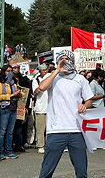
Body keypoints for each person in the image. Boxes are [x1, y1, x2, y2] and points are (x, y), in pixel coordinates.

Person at [37, 50, 93, 178]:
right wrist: (57, 70)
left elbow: (89, 99)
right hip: (56, 130)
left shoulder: (80, 79)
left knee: (81, 169)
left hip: (76, 129)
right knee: (47, 168)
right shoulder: (52, 77)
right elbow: (42, 87)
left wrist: (85, 105)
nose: (64, 61)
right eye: (61, 58)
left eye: (66, 58)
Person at [0, 65, 20, 160]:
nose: (10, 73)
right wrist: (11, 95)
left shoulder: (13, 82)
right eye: (7, 71)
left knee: (10, 131)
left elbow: (18, 94)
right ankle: (0, 151)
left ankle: (9, 150)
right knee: (2, 131)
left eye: (11, 71)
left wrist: (19, 93)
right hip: (3, 107)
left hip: (13, 107)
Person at [32, 64, 50, 154]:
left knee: (50, 129)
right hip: (41, 108)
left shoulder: (50, 78)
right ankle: (40, 145)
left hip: (50, 107)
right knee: (40, 128)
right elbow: (35, 92)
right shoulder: (36, 80)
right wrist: (41, 85)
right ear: (40, 71)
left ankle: (49, 145)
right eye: (43, 70)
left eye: (46, 70)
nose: (45, 71)